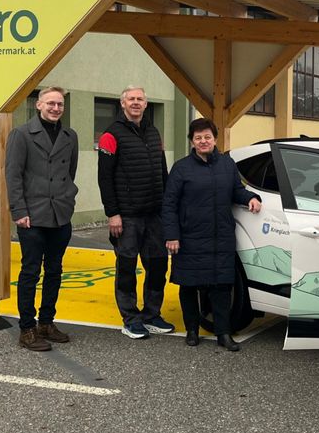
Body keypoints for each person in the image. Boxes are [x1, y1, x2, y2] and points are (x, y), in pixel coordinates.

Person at [162, 118, 262, 350]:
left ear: (215, 139)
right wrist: (172, 235)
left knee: (221, 287)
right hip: (189, 238)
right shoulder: (181, 168)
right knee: (189, 285)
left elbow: (237, 190)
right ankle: (192, 330)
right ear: (192, 141)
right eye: (198, 138)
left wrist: (251, 198)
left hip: (220, 236)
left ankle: (223, 333)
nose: (203, 141)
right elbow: (169, 204)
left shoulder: (227, 164)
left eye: (207, 137)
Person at [5, 86, 78, 352]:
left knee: (55, 271)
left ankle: (47, 322)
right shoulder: (22, 134)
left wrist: (68, 198)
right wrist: (19, 211)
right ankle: (27, 329)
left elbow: (70, 172)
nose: (56, 108)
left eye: (60, 104)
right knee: (30, 272)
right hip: (32, 216)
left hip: (60, 214)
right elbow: (13, 175)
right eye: (51, 103)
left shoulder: (70, 136)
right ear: (38, 104)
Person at [98, 85, 173, 339]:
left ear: (146, 103)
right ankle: (130, 319)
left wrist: (167, 208)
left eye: (140, 99)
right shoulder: (111, 134)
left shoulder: (153, 131)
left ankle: (152, 315)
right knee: (127, 269)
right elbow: (104, 178)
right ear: (122, 103)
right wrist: (113, 214)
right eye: (131, 99)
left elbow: (162, 171)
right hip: (127, 216)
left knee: (158, 266)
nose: (136, 102)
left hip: (155, 214)